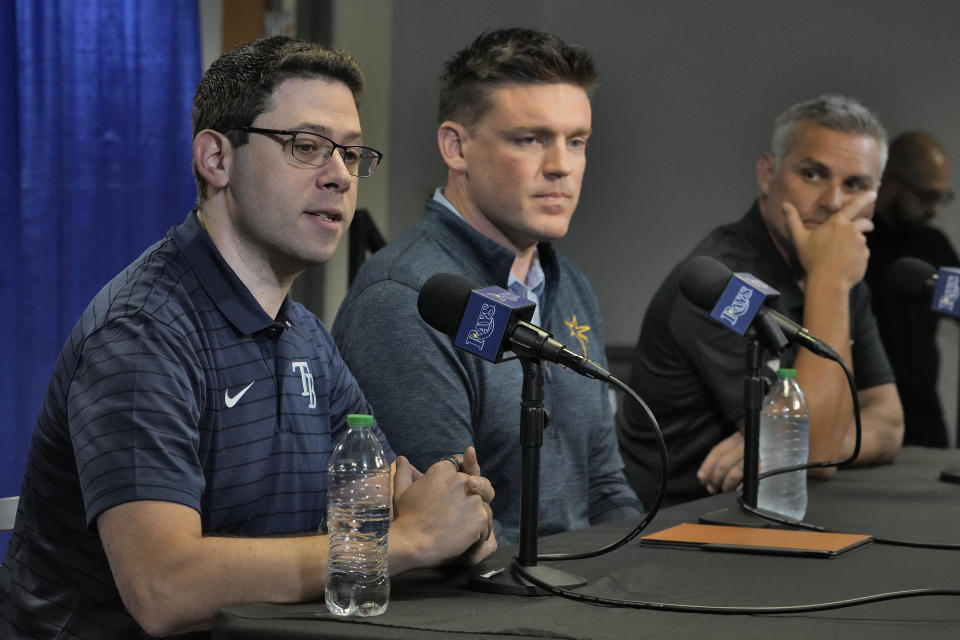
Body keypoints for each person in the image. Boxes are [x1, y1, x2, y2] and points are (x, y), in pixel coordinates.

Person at [0, 36, 497, 639]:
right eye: (306, 146)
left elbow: (388, 497)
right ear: (217, 159)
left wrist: (456, 513)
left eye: (351, 153)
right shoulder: (142, 335)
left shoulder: (306, 336)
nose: (340, 176)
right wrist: (411, 540)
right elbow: (166, 588)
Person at [333, 28, 642, 545]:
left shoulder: (570, 285)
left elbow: (606, 485)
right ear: (456, 147)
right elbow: (450, 531)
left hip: (584, 592)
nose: (562, 166)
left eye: (577, 142)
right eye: (530, 139)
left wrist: (637, 575)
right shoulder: (406, 300)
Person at [618, 94, 905, 507]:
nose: (834, 202)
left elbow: (889, 423)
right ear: (768, 173)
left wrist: (782, 442)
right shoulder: (720, 282)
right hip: (675, 524)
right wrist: (796, 442)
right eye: (812, 174)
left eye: (855, 185)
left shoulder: (842, 274)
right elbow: (818, 452)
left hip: (768, 510)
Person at [865, 131, 959, 447]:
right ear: (890, 181)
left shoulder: (934, 246)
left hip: (924, 413)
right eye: (925, 196)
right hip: (865, 410)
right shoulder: (856, 244)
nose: (934, 209)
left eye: (940, 198)